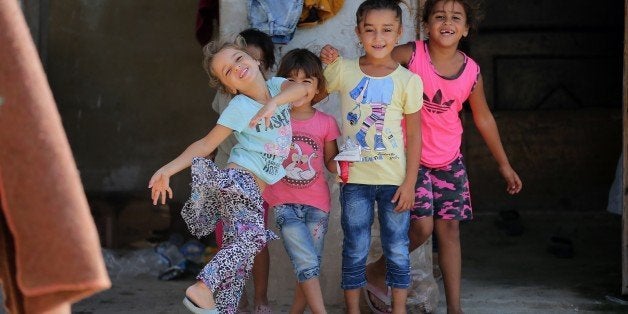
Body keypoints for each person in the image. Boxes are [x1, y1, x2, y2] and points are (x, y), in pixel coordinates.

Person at [331, 1, 523, 313]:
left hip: (450, 159)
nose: (447, 22)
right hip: (410, 158)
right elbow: (376, 64)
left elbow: (483, 117)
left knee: (449, 230)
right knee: (421, 228)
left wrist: (504, 164)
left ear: (466, 28)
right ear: (427, 24)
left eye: (455, 18)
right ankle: (376, 271)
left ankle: (455, 307)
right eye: (439, 16)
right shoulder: (411, 54)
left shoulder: (471, 71)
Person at [148, 36, 311, 314]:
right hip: (239, 183)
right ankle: (203, 286)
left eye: (239, 59)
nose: (236, 67)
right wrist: (169, 168)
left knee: (239, 264)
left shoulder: (277, 87)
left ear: (255, 61)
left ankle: (220, 308)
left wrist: (274, 103)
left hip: (252, 191)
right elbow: (205, 144)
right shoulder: (239, 108)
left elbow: (302, 89)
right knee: (250, 240)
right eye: (227, 71)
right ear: (230, 87)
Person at [319, 0, 424, 313]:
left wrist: (410, 183)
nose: (378, 37)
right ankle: (353, 310)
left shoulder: (408, 81)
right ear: (357, 33)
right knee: (355, 249)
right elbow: (311, 97)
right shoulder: (344, 70)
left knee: (397, 249)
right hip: (355, 181)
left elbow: (416, 136)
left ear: (399, 32)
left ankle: (399, 310)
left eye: (387, 30)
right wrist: (325, 63)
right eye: (370, 30)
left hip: (394, 182)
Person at [263, 48, 340, 314]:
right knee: (306, 262)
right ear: (282, 84)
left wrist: (345, 163)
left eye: (306, 81)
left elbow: (331, 163)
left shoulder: (327, 123)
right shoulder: (274, 120)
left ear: (318, 86)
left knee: (308, 265)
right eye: (291, 81)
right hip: (283, 202)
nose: (299, 87)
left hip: (318, 206)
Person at [210, 28, 276, 314]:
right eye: (235, 64)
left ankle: (260, 299)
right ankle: (234, 300)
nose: (242, 68)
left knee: (255, 239)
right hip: (226, 172)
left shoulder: (275, 94)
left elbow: (308, 89)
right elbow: (215, 134)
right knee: (226, 238)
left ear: (264, 65)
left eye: (250, 59)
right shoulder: (228, 97)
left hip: (256, 179)